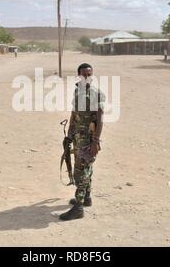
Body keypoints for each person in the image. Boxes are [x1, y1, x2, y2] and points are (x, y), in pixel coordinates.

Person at [59, 63, 105, 221]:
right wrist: (69, 136)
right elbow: (74, 116)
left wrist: (95, 142)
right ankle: (86, 197)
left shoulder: (95, 94)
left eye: (90, 74)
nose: (87, 77)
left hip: (88, 139)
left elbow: (99, 121)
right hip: (78, 137)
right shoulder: (78, 91)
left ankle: (78, 207)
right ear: (79, 75)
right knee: (87, 168)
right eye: (84, 74)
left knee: (81, 171)